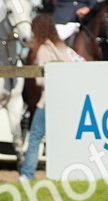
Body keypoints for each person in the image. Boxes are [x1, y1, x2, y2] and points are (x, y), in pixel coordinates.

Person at [19, 13, 83, 182]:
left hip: (48, 100)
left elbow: (41, 81)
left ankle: (27, 174)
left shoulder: (42, 49)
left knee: (35, 137)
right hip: (67, 99)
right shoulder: (62, 48)